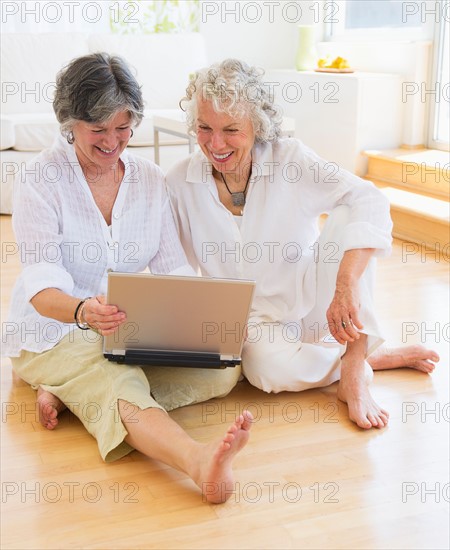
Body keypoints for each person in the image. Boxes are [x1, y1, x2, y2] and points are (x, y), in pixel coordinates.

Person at [2, 53, 252, 504]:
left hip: (124, 327)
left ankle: (71, 394)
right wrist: (83, 312)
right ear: (70, 121)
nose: (113, 141)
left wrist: (204, 323)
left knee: (223, 372)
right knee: (113, 374)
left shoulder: (150, 180)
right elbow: (41, 288)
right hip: (53, 329)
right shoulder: (40, 179)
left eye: (123, 127)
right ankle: (197, 462)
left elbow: (173, 270)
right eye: (98, 129)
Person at [166, 58, 440, 430]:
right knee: (265, 373)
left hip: (317, 301)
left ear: (256, 126)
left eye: (231, 129)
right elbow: (177, 270)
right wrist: (214, 324)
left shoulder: (290, 158)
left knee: (349, 214)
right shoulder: (180, 182)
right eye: (204, 128)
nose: (215, 144)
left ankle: (356, 366)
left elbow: (370, 199)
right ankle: (366, 356)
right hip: (252, 325)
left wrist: (344, 286)